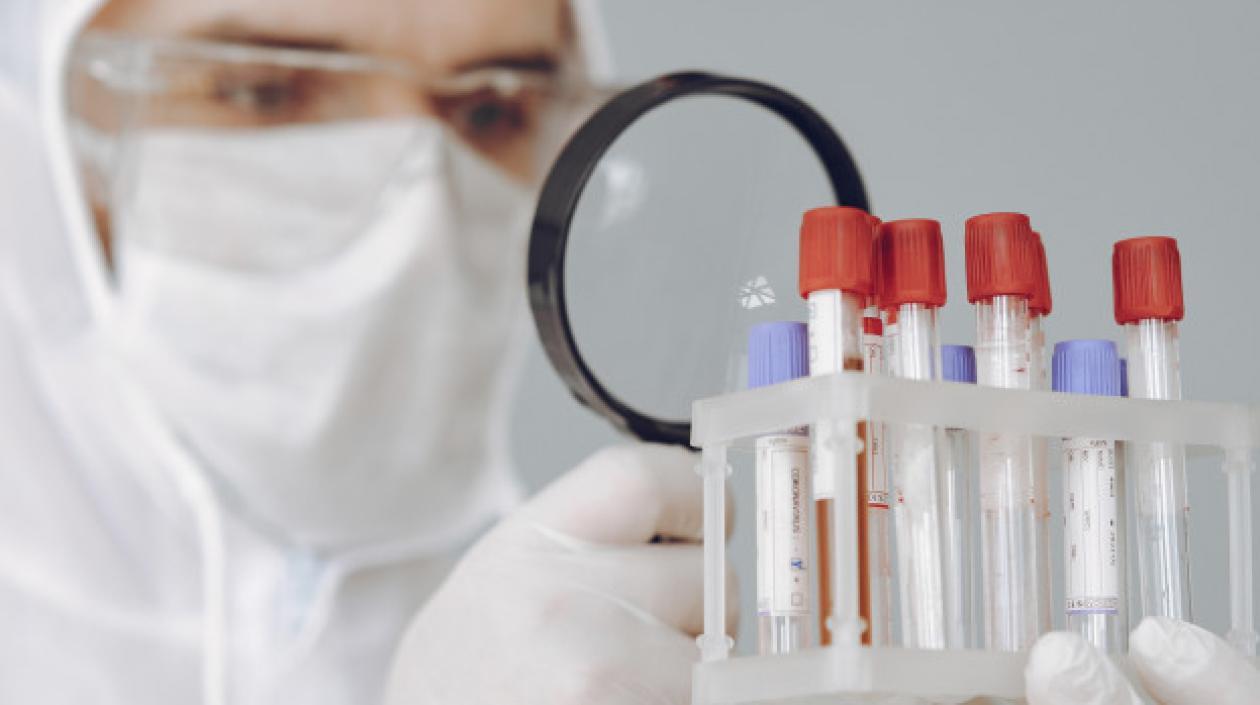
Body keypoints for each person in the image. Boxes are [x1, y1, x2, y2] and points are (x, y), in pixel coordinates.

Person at [0, 1, 1249, 704]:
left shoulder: (592, 644)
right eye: (263, 92)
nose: (417, 195)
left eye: (492, 106)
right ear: (42, 131)